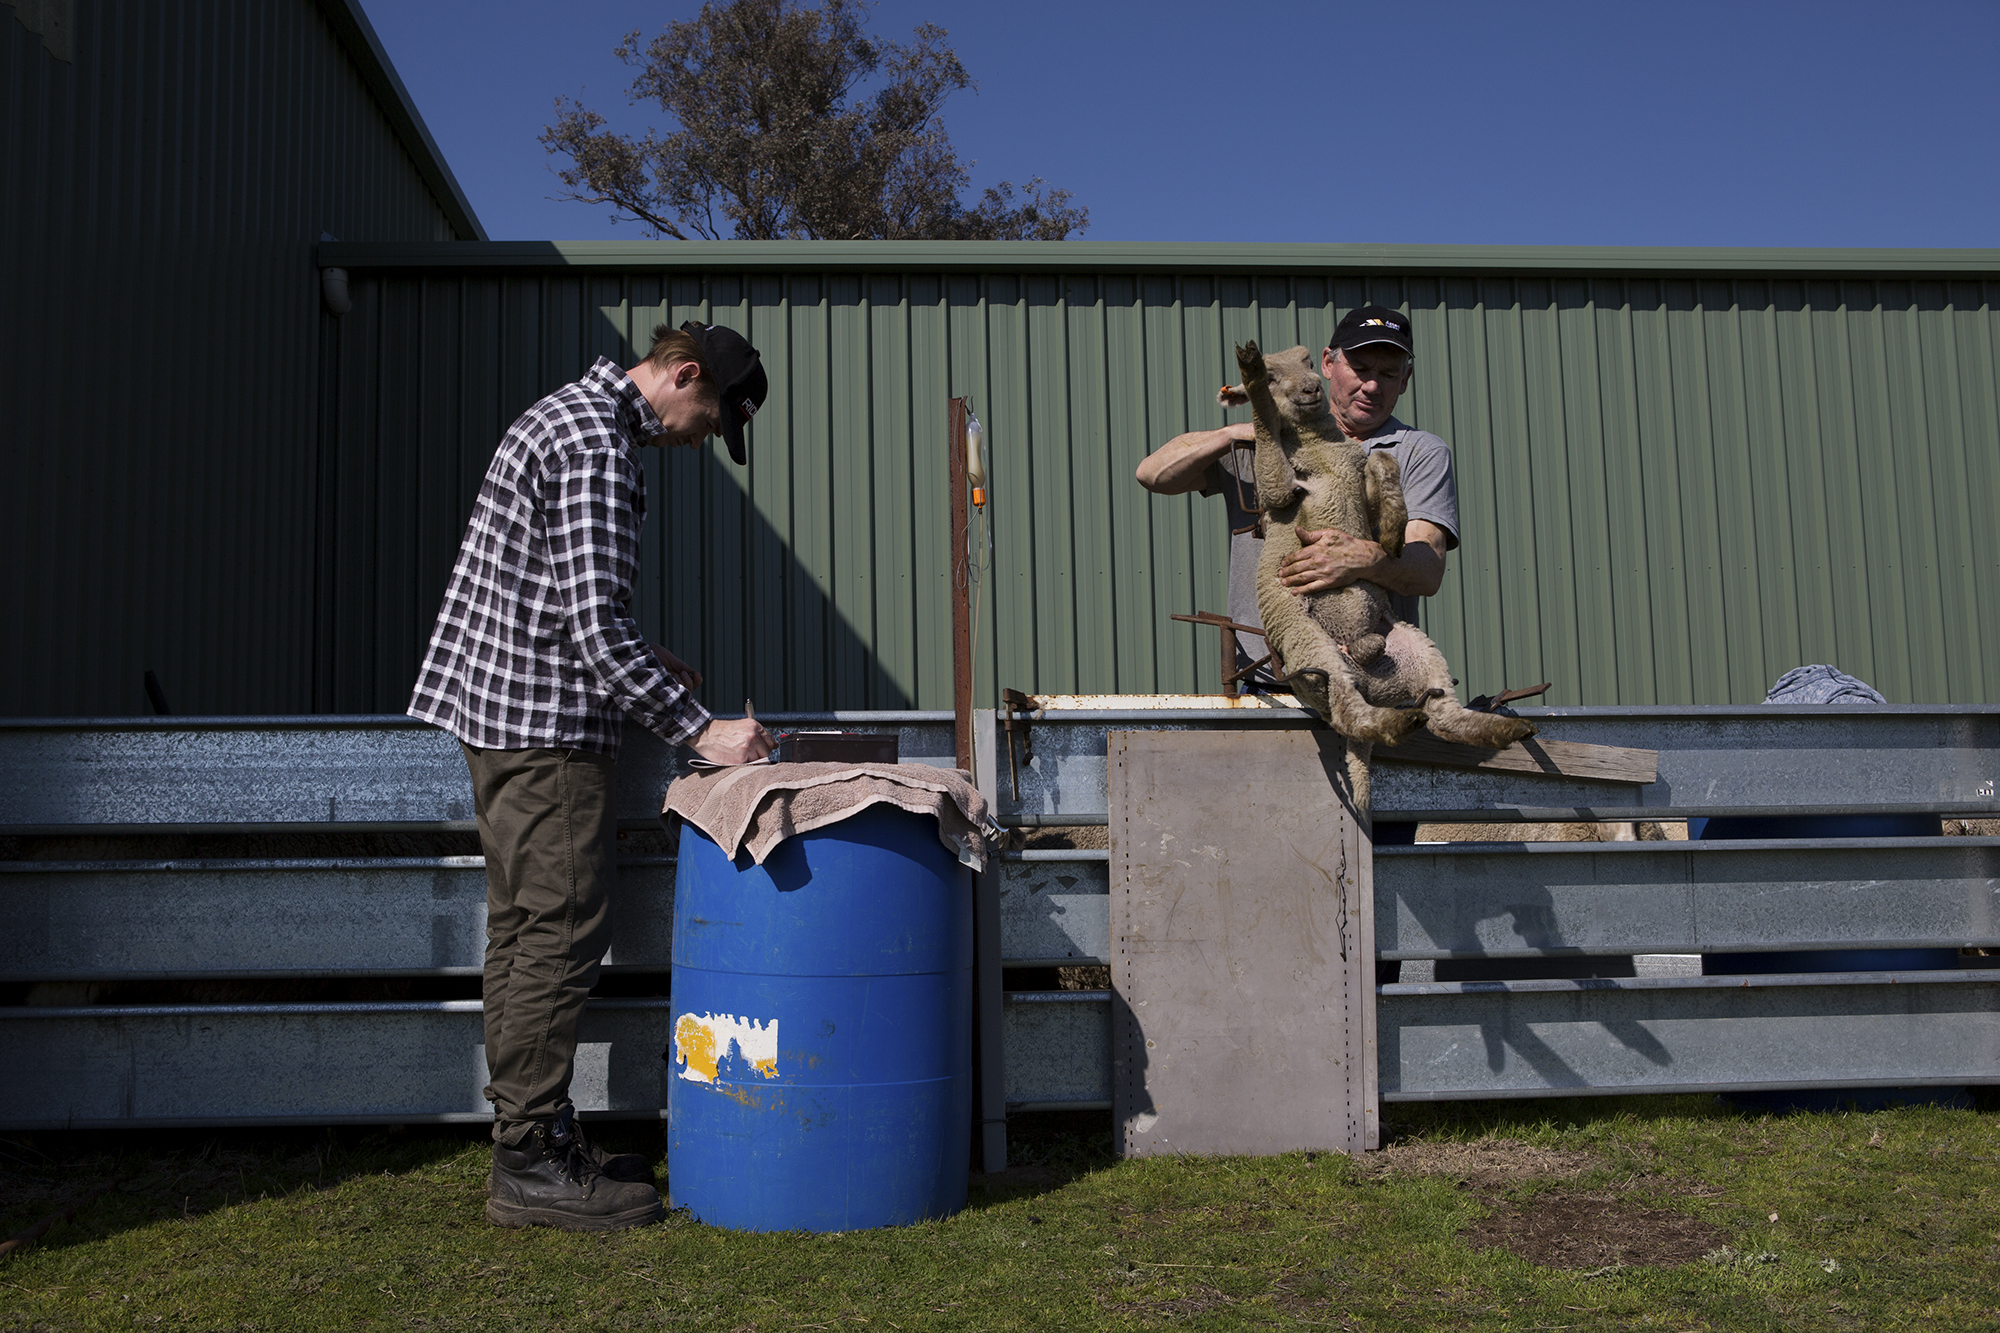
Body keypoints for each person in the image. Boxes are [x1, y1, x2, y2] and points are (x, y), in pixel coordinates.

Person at [409, 321, 776, 1232]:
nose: (702, 440)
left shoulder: (570, 420)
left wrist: (644, 653)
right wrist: (703, 730)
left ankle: (535, 1133)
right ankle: (530, 1160)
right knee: (561, 926)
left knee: (526, 926)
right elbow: (592, 631)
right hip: (544, 730)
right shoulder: (595, 448)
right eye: (710, 418)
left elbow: (559, 597)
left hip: (504, 713)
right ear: (684, 374)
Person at [1134, 304, 1459, 865]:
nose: (1372, 384)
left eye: (1389, 372)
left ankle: (1380, 959)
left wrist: (1363, 562)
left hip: (1376, 681)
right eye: (1361, 367)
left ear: (1406, 380)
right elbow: (1153, 473)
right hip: (1271, 688)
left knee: (1381, 877)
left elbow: (1426, 569)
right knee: (1277, 872)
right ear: (1328, 364)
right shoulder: (1264, 449)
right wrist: (1252, 428)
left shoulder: (1414, 453)